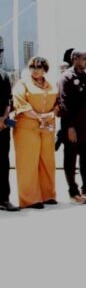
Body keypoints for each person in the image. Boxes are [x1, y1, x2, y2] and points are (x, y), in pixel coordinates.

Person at [57, 50, 86, 204]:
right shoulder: (66, 77)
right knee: (70, 159)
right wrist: (69, 126)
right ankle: (73, 192)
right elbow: (63, 103)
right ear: (75, 59)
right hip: (73, 127)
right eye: (84, 58)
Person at [11, 57, 59, 209]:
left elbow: (58, 103)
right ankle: (30, 199)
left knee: (47, 161)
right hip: (27, 128)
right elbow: (20, 103)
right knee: (28, 162)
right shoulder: (23, 84)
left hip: (47, 128)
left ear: (45, 69)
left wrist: (52, 114)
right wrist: (39, 117)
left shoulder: (51, 85)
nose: (35, 70)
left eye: (39, 67)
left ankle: (48, 195)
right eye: (32, 67)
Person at [0, 68, 19, 211]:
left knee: (3, 163)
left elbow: (9, 100)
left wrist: (4, 117)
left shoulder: (3, 75)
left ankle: (3, 199)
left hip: (2, 127)